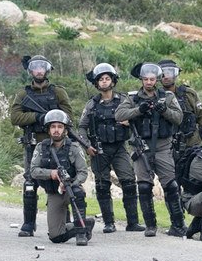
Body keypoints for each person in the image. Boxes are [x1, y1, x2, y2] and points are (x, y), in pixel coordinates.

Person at [115, 62, 187, 237]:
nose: (148, 82)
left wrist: (164, 111)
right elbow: (118, 115)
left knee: (171, 185)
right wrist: (138, 110)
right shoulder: (132, 98)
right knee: (144, 187)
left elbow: (178, 118)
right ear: (141, 79)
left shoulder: (168, 97)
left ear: (157, 79)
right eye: (146, 79)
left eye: (152, 79)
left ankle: (178, 225)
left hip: (163, 146)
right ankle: (150, 225)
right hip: (142, 147)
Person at [10, 55, 73, 238]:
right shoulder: (23, 94)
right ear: (30, 71)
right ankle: (29, 224)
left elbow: (69, 117)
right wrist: (37, 117)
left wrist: (53, 119)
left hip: (57, 143)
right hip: (34, 143)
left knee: (61, 180)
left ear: (47, 70)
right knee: (30, 182)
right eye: (35, 67)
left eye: (42, 67)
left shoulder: (58, 92)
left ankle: (64, 221)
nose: (39, 70)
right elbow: (15, 117)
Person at [79, 63, 144, 233]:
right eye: (101, 79)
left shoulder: (124, 100)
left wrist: (128, 121)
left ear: (113, 81)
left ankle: (133, 222)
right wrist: (87, 146)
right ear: (96, 83)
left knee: (129, 182)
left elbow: (137, 117)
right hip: (99, 149)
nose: (104, 82)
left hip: (119, 148)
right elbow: (81, 128)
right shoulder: (91, 104)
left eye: (107, 78)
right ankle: (109, 223)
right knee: (102, 185)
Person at [30, 110, 94, 245]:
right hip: (54, 193)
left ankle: (81, 233)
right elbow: (33, 171)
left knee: (78, 193)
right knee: (55, 237)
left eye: (60, 127)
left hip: (71, 189)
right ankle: (85, 223)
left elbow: (83, 172)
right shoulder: (41, 147)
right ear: (48, 129)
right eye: (53, 127)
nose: (56, 130)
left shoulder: (74, 147)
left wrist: (72, 183)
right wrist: (51, 173)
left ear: (65, 129)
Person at [158, 59, 202, 156]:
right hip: (166, 147)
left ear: (176, 74)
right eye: (163, 74)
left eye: (170, 73)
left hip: (192, 144)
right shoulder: (155, 96)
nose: (166, 77)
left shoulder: (189, 94)